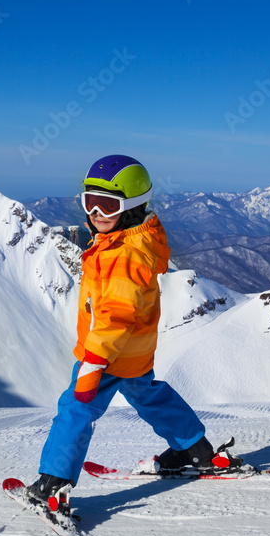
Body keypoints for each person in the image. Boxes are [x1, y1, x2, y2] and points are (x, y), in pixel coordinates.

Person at [26, 154, 239, 511]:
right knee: (148, 396)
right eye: (89, 202)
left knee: (76, 408)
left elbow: (116, 316)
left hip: (108, 353)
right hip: (133, 353)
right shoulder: (127, 242)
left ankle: (54, 482)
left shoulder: (124, 254)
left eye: (107, 205)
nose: (95, 213)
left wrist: (94, 362)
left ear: (131, 208)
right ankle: (195, 450)